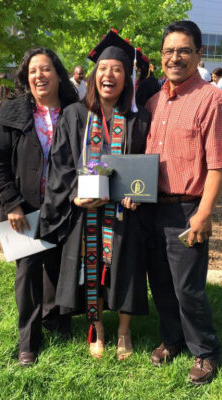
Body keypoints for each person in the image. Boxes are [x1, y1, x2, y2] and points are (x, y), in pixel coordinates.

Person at [39, 29, 151, 360]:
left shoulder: (138, 118)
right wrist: (74, 196)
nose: (109, 75)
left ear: (126, 77)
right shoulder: (75, 115)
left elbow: (145, 165)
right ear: (93, 75)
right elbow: (60, 164)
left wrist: (137, 193)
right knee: (91, 269)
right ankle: (97, 328)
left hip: (124, 214)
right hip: (85, 213)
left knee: (127, 268)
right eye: (103, 69)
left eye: (117, 69)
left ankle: (124, 333)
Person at [144, 20, 222, 385]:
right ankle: (173, 338)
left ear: (199, 54)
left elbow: (219, 164)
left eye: (184, 50)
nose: (175, 57)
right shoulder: (154, 101)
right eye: (169, 51)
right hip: (152, 207)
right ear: (161, 56)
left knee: (188, 287)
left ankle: (205, 351)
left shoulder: (212, 99)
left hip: (187, 208)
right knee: (162, 283)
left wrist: (204, 213)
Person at [0, 47, 78, 367]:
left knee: (57, 268)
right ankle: (28, 340)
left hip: (63, 207)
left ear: (58, 73)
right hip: (21, 210)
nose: (40, 75)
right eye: (33, 70)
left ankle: (55, 319)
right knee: (27, 275)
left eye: (46, 69)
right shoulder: (11, 112)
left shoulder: (73, 110)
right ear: (27, 77)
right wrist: (10, 203)